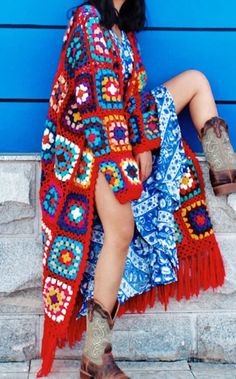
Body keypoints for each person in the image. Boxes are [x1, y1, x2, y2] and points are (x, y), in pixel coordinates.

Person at [37, 0, 233, 378]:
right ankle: (95, 357)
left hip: (122, 130)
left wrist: (143, 145)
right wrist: (126, 164)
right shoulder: (88, 20)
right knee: (121, 232)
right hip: (87, 145)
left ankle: (228, 173)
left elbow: (137, 94)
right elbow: (97, 104)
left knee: (195, 80)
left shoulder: (123, 31)